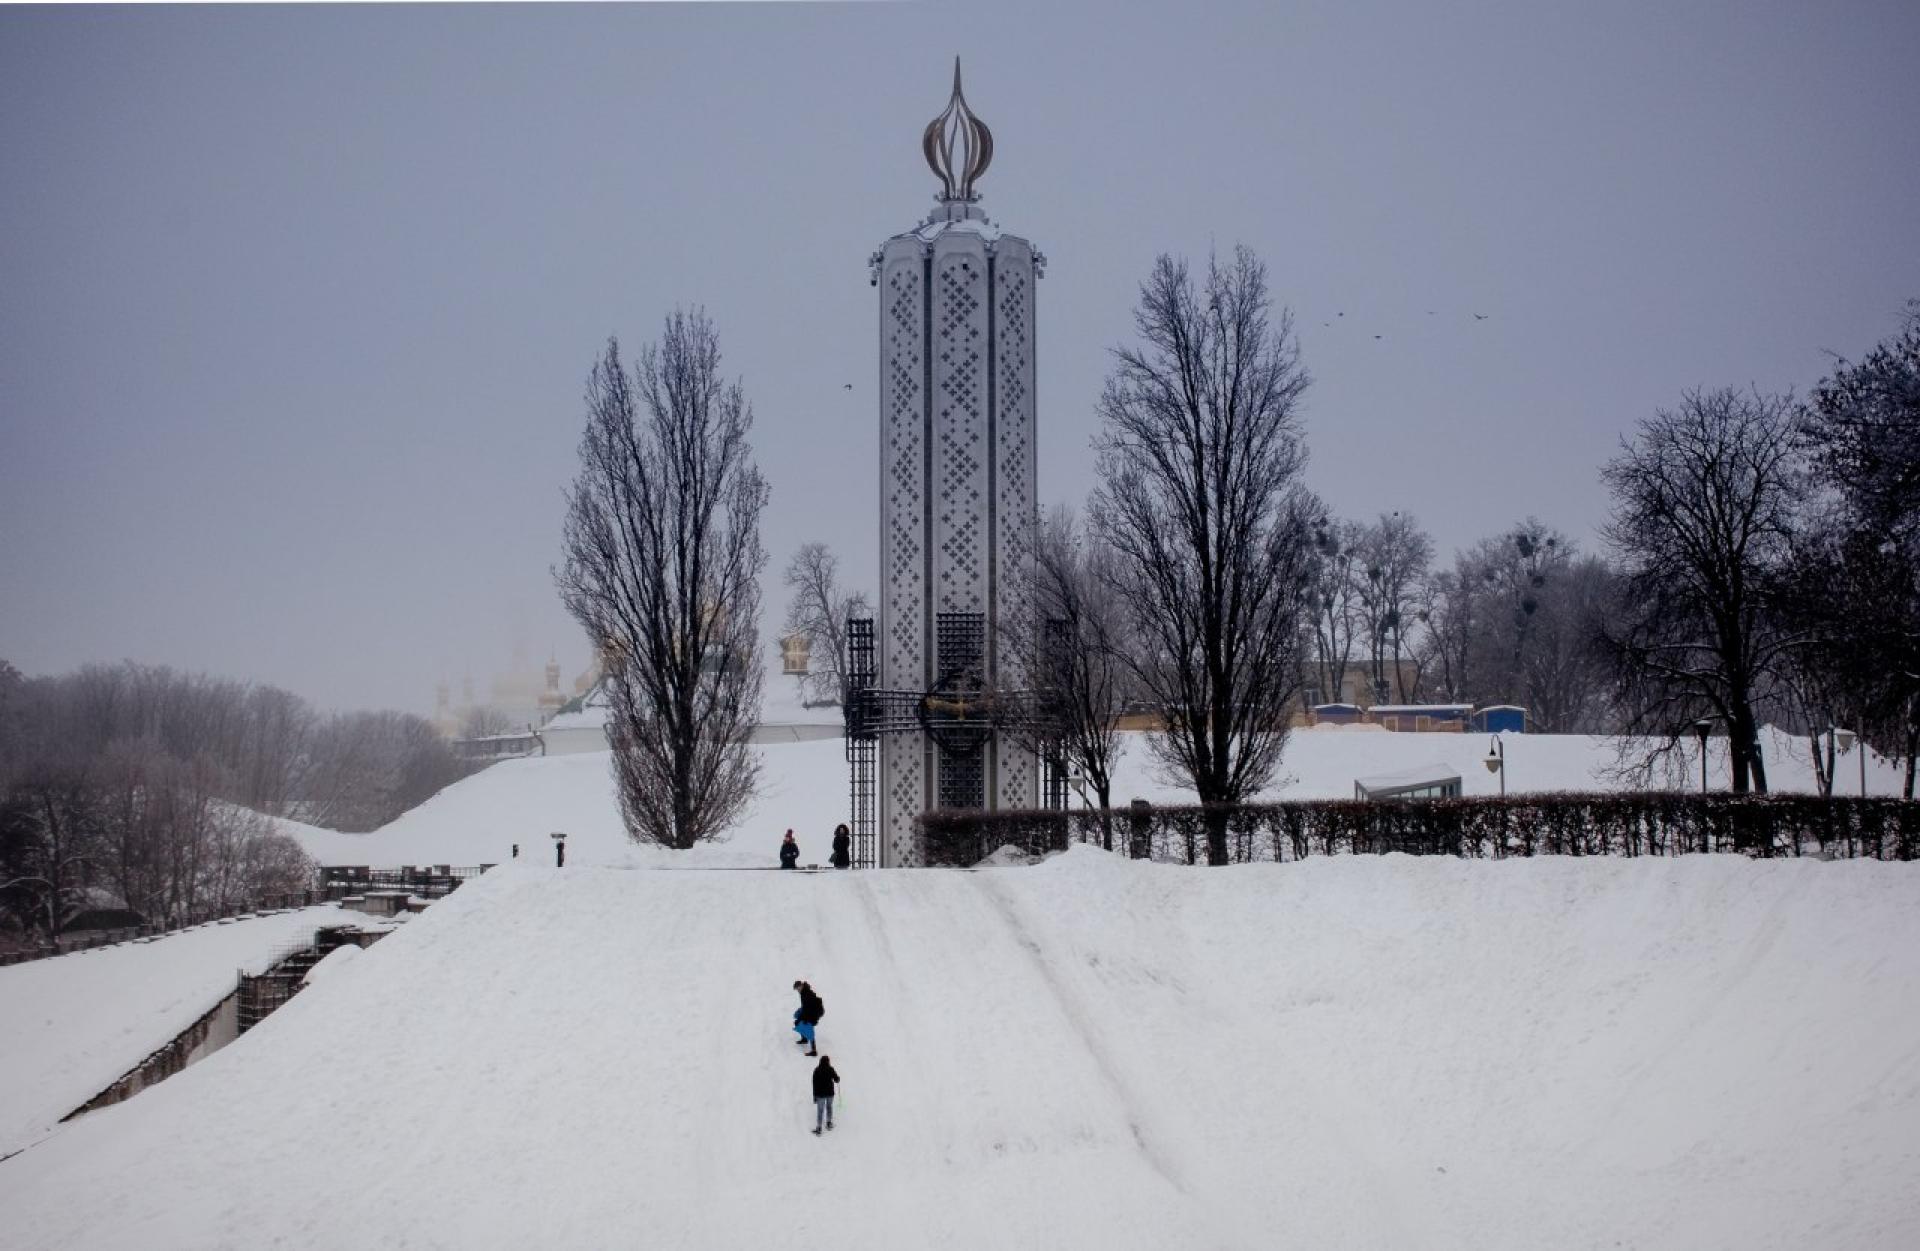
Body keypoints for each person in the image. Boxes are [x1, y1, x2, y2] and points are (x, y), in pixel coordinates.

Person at [792, 979, 824, 1054]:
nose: (798, 990)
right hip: (809, 1010)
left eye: (798, 988)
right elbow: (805, 1007)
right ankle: (804, 1039)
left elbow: (808, 1010)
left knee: (808, 1027)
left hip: (814, 1012)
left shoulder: (807, 994)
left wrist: (803, 1018)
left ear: (801, 986)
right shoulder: (803, 992)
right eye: (797, 989)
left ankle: (814, 1050)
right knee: (797, 1019)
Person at [811, 1054, 840, 1135]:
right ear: (828, 1062)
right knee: (829, 1107)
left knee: (820, 1111)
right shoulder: (830, 1069)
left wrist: (814, 1096)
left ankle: (819, 1128)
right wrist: (838, 1079)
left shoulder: (817, 1070)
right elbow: (836, 1079)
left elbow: (814, 1084)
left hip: (820, 1095)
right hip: (830, 1093)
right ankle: (829, 1123)